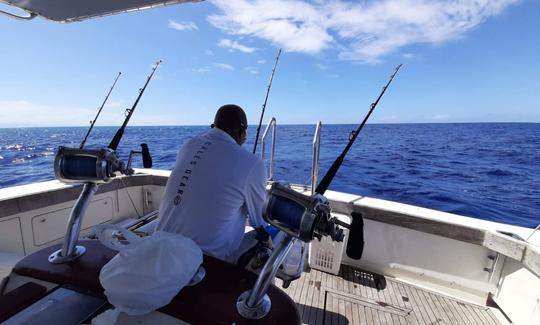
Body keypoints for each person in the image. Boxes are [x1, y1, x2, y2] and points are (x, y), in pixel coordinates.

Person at [156, 104, 269, 262]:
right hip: (205, 263)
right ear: (242, 130)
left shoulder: (189, 145)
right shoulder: (253, 163)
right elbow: (259, 221)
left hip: (158, 247)